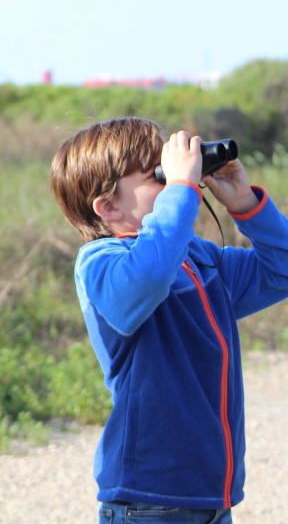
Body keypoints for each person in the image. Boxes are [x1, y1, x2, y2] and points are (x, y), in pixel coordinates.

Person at [49, 119, 288, 524]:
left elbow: (281, 270)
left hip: (210, 494)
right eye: (158, 174)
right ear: (109, 207)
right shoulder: (100, 263)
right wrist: (179, 191)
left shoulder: (199, 258)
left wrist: (245, 204)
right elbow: (147, 278)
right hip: (148, 498)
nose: (181, 180)